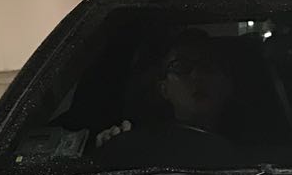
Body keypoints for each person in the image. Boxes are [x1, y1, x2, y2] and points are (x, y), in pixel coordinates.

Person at [94, 28, 239, 164]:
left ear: (228, 84)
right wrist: (112, 148)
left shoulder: (251, 153)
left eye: (208, 66)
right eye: (181, 66)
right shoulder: (140, 147)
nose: (197, 76)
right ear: (163, 89)